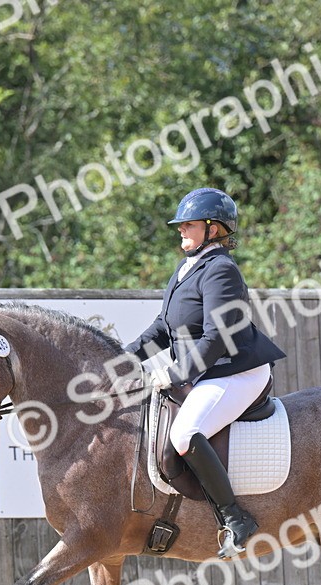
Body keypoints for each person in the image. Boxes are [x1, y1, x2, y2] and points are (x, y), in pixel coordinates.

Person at [124, 188, 286, 559]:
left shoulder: (221, 270)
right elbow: (163, 330)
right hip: (204, 373)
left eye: (189, 224)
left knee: (184, 433)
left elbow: (216, 338)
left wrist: (175, 372)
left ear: (213, 230)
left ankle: (236, 519)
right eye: (181, 223)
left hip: (236, 372)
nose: (181, 229)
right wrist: (123, 359)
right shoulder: (186, 269)